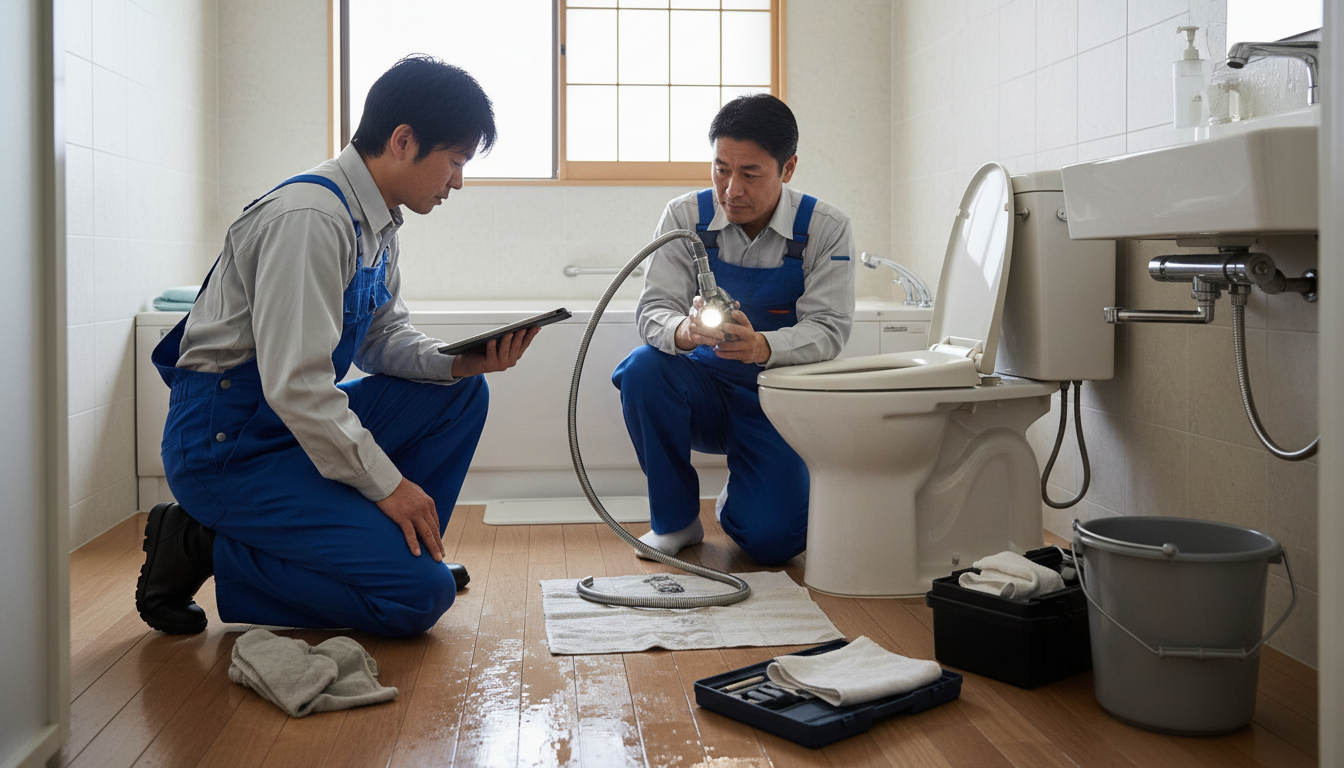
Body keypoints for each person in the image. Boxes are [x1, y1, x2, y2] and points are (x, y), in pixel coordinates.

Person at [136, 55, 538, 638]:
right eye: (454, 162)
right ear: (403, 141)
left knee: (459, 393)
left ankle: (405, 554)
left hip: (283, 428)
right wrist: (390, 486)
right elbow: (298, 387)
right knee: (419, 601)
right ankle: (202, 542)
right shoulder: (311, 219)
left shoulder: (377, 221)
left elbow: (381, 340)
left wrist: (456, 362)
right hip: (230, 448)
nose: (457, 182)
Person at [612, 94, 855, 565]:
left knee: (774, 542)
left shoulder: (826, 228)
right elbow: (653, 309)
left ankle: (741, 496)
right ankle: (676, 520)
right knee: (643, 369)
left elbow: (829, 330)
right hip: (701, 389)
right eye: (721, 169)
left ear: (787, 169)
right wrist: (683, 331)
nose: (731, 190)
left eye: (750, 174)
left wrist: (762, 344)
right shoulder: (685, 217)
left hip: (777, 400)